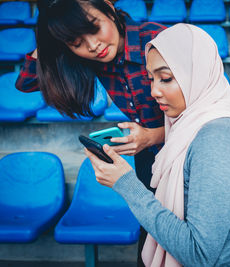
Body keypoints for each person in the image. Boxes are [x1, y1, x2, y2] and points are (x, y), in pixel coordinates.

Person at [86, 23, 230, 266]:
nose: (154, 91)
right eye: (151, 79)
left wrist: (125, 183)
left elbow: (198, 254)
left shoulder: (215, 138)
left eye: (165, 78)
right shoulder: (185, 129)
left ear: (198, 74)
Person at [14, 0, 166, 265]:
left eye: (94, 27)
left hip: (190, 155)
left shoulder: (158, 39)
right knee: (151, 240)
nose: (93, 45)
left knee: (186, 240)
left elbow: (211, 112)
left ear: (108, 6)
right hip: (148, 157)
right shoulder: (90, 56)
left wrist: (153, 135)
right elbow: (26, 82)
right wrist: (54, 35)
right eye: (76, 42)